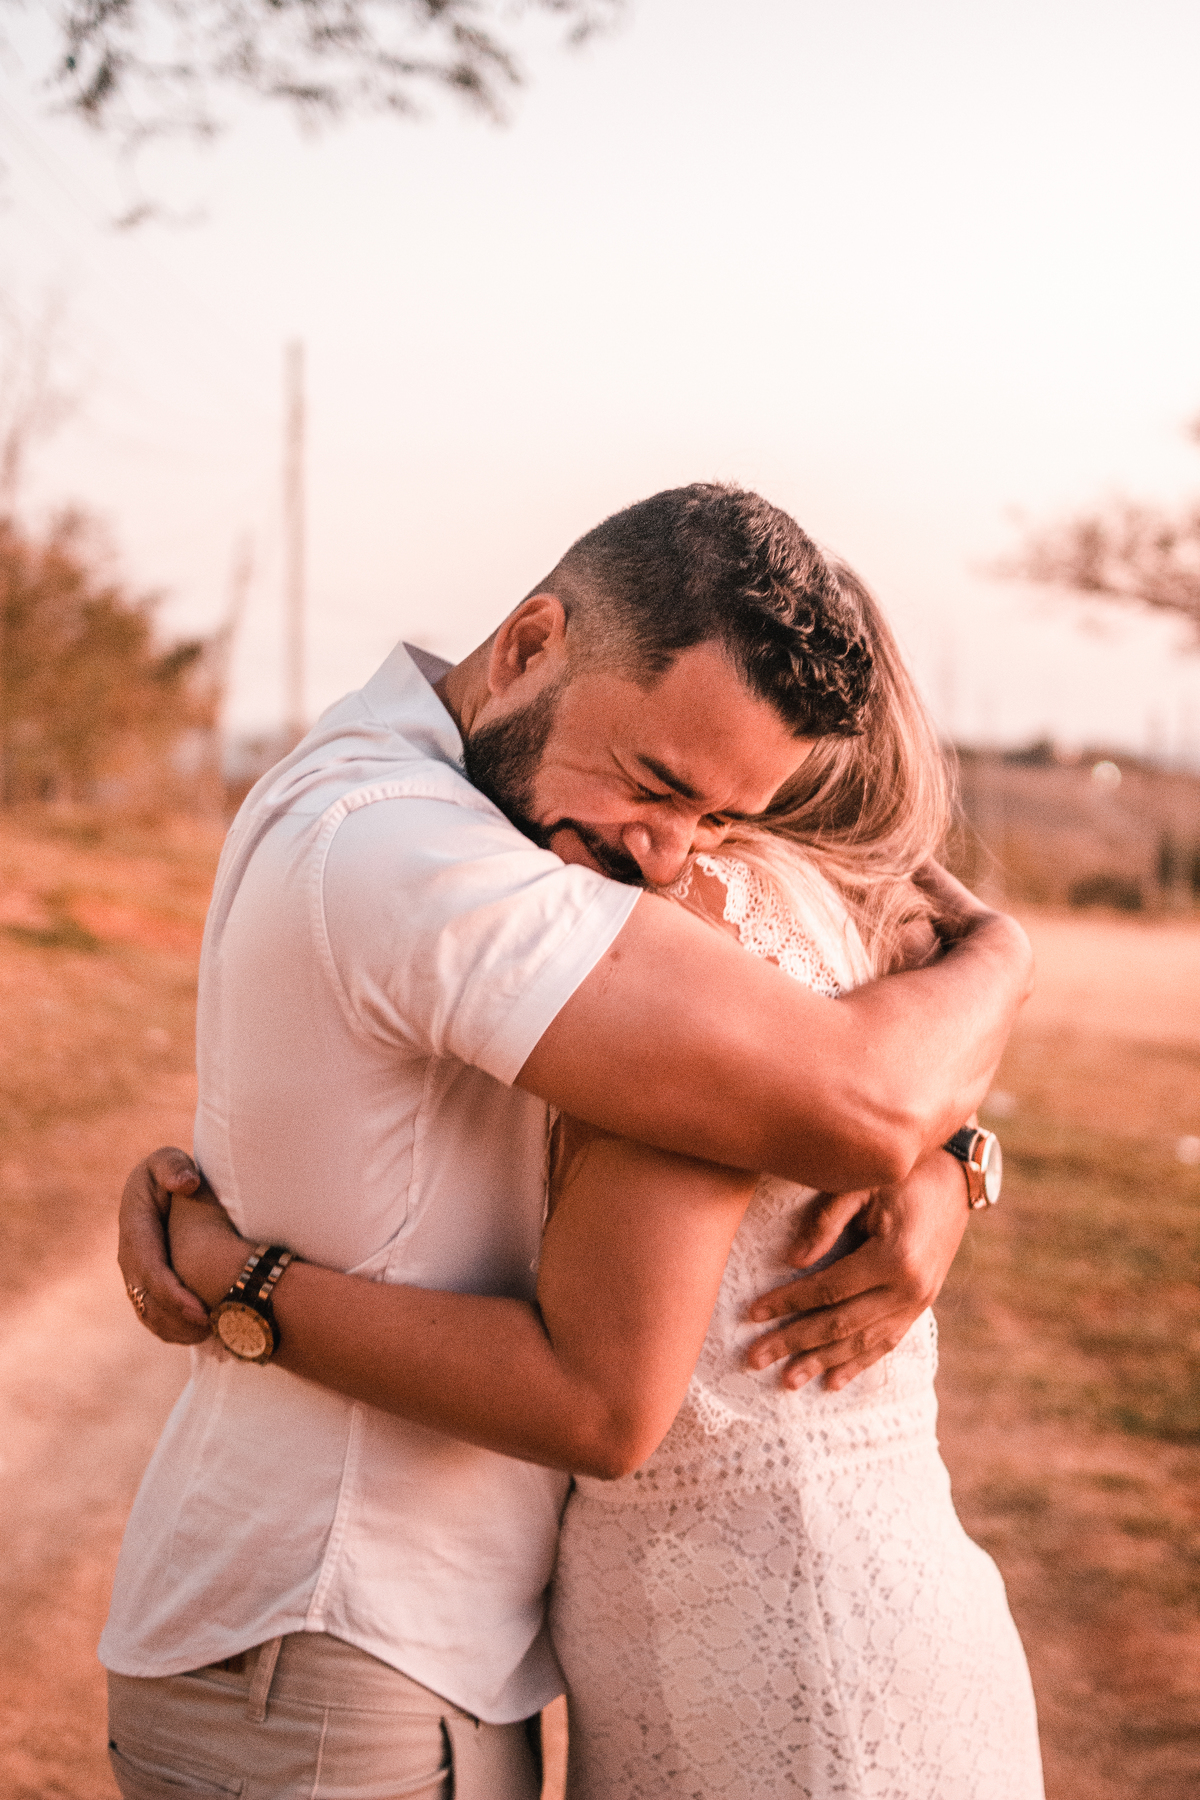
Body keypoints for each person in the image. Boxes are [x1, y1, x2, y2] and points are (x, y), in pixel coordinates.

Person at [110, 484, 1033, 1800]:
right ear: (533, 641)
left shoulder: (437, 798)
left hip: (418, 1646)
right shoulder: (406, 842)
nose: (665, 860)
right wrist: (1003, 961)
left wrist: (953, 1161)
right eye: (656, 783)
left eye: (715, 818)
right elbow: (855, 1099)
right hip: (332, 1635)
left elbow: (855, 1096)